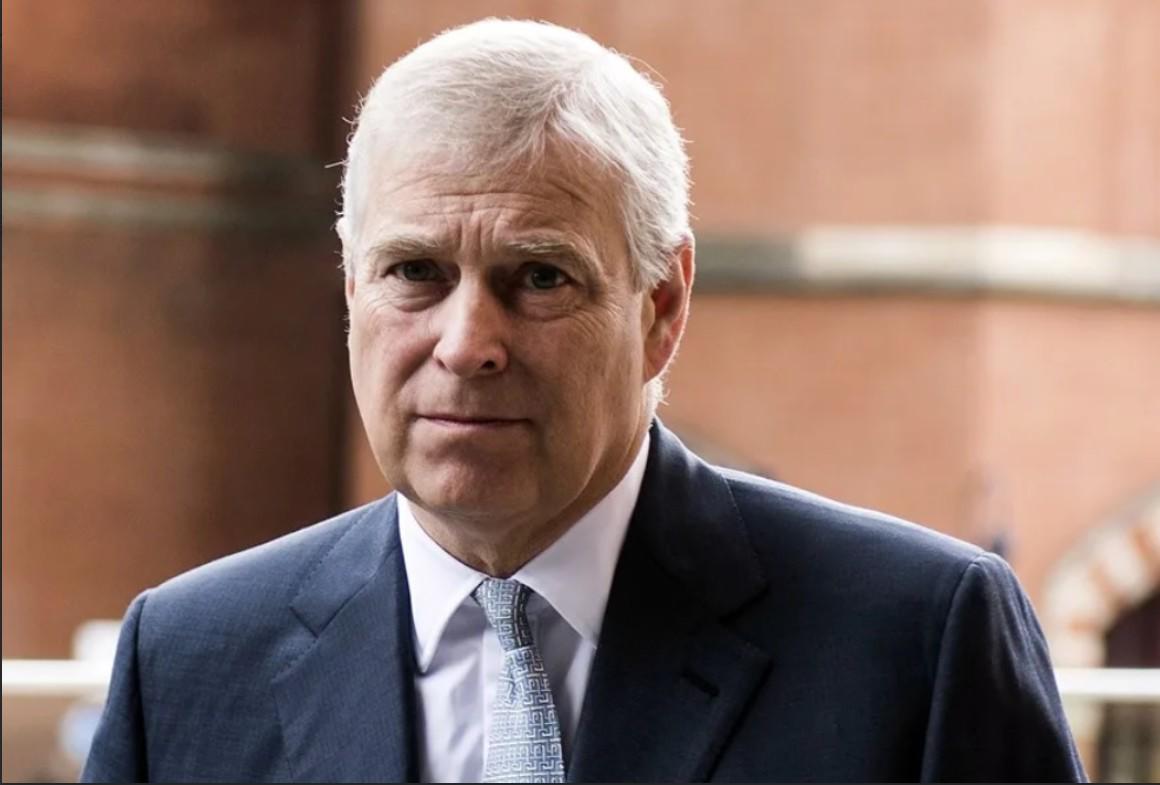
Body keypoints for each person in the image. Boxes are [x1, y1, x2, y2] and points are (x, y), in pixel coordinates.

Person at [82, 18, 1085, 783]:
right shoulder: (187, 662)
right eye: (415, 271)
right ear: (351, 289)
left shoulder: (914, 640)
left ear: (661, 307)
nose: (466, 343)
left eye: (539, 276)